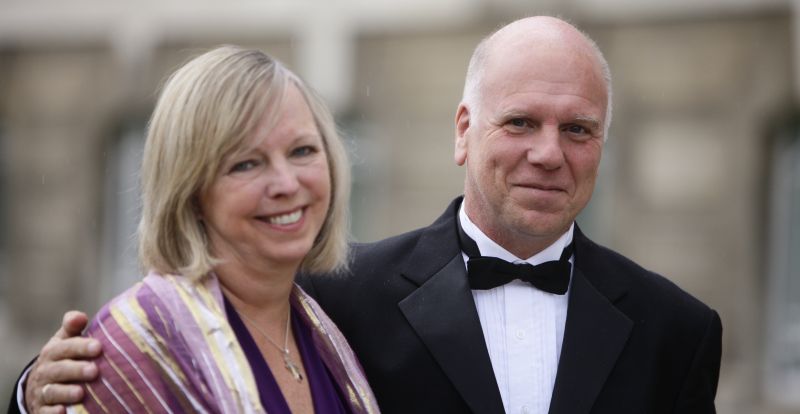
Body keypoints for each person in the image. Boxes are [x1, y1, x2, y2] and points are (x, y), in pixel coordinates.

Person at [12, 16, 721, 414]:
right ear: (463, 130)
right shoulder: (336, 298)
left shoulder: (679, 331)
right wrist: (30, 395)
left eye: (577, 129)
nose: (547, 153)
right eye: (520, 122)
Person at [10, 45, 379, 414]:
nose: (286, 183)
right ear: (190, 191)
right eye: (247, 163)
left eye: (302, 151)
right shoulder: (137, 348)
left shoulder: (323, 328)